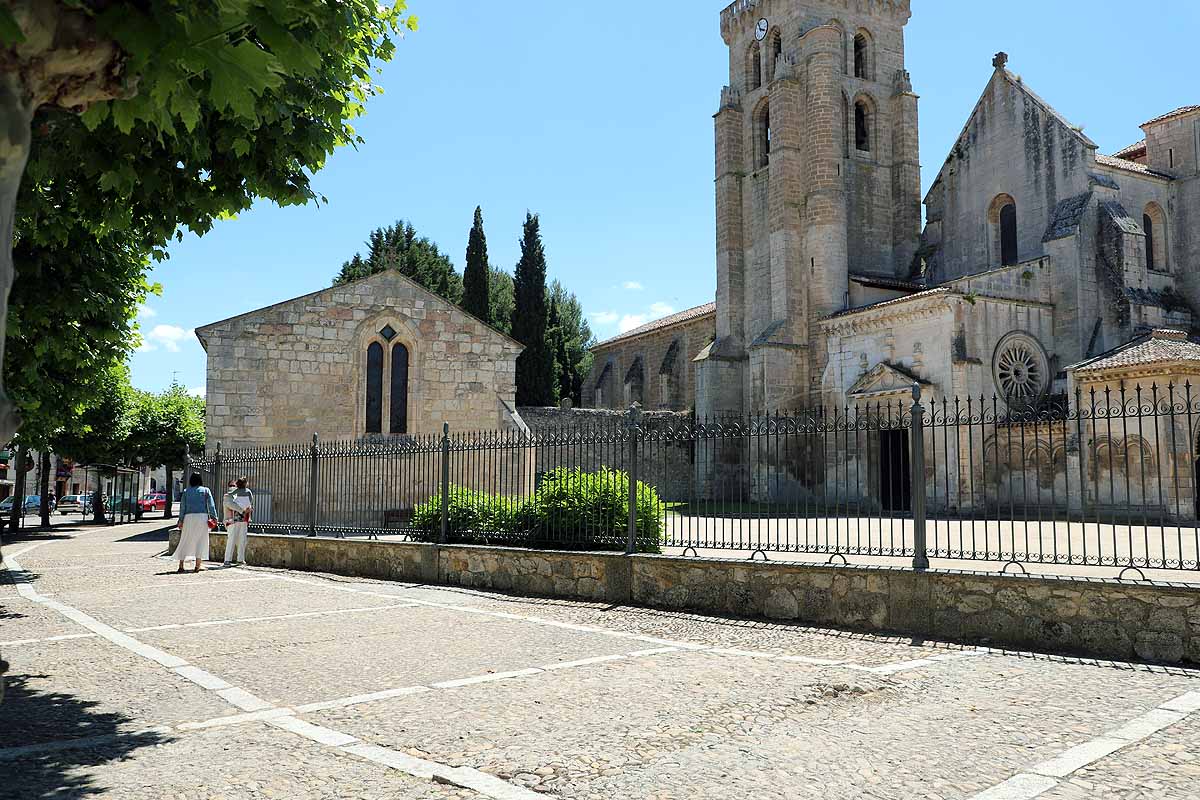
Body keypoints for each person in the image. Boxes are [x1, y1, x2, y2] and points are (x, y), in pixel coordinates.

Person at [175, 473, 217, 573]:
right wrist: (214, 517)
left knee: (185, 540)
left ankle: (181, 565)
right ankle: (197, 566)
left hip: (188, 517)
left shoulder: (186, 491)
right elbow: (211, 505)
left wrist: (180, 520)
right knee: (201, 540)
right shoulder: (206, 490)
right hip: (202, 517)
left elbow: (182, 507)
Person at [222, 477, 253, 565]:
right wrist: (242, 510)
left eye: (234, 485)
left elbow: (249, 503)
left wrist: (248, 511)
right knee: (231, 539)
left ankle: (240, 559)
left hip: (243, 520)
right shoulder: (228, 495)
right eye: (231, 485)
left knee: (242, 540)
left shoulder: (245, 493)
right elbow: (230, 504)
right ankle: (227, 560)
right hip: (231, 520)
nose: (232, 487)